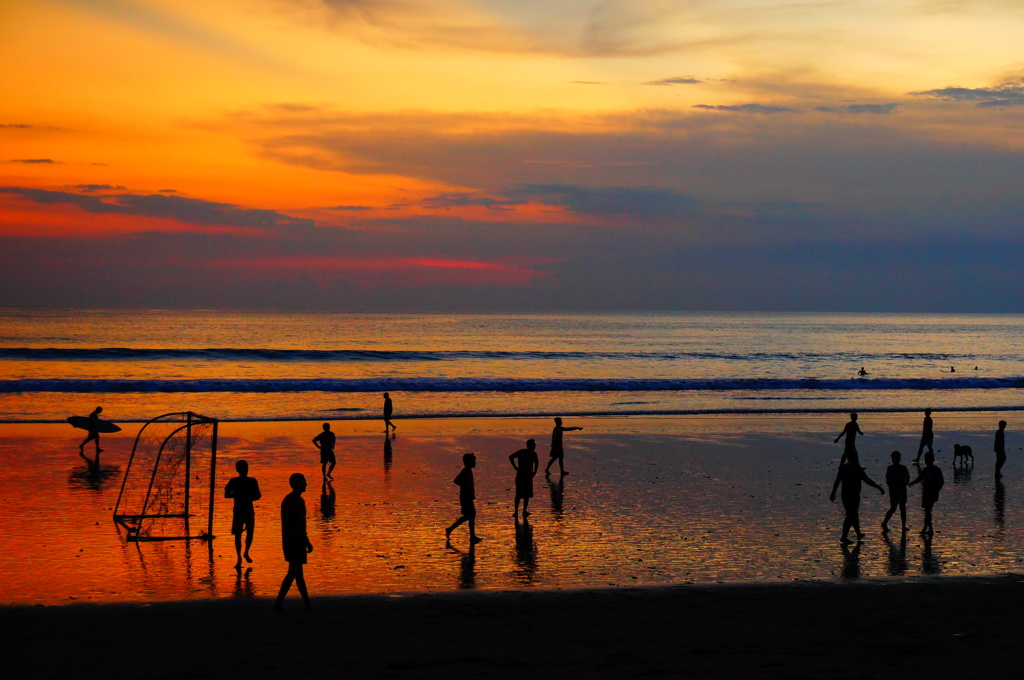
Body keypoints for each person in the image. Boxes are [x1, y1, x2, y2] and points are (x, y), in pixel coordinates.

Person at [273, 473, 313, 612]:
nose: (306, 484)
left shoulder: (288, 499)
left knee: (297, 574)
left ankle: (307, 604)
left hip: (289, 540)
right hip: (296, 541)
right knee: (293, 573)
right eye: (304, 482)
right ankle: (278, 604)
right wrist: (307, 542)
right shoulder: (297, 501)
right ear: (299, 484)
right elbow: (299, 524)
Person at [829, 450, 884, 544]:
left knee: (853, 514)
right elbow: (867, 480)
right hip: (853, 494)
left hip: (845, 494)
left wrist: (833, 493)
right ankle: (844, 537)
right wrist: (878, 487)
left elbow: (837, 480)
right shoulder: (857, 468)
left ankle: (858, 534)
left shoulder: (844, 467)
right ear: (856, 457)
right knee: (851, 515)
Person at [224, 460, 262, 569]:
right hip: (241, 511)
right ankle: (240, 557)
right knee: (241, 534)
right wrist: (240, 495)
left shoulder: (248, 481)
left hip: (243, 510)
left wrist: (240, 495)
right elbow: (227, 494)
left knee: (245, 533)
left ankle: (244, 553)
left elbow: (257, 495)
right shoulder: (238, 481)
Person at [446, 453, 482, 544]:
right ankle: (471, 536)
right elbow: (456, 480)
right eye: (474, 461)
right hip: (466, 497)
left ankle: (451, 529)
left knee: (469, 516)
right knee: (471, 515)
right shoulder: (466, 471)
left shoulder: (468, 470)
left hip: (467, 496)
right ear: (469, 462)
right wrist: (464, 486)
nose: (475, 463)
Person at [909, 451, 944, 536]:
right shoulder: (926, 470)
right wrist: (912, 482)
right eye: (926, 459)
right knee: (927, 511)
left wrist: (936, 490)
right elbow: (919, 478)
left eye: (928, 459)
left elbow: (941, 481)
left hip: (931, 493)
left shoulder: (936, 470)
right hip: (926, 493)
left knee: (928, 510)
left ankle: (930, 529)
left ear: (933, 459)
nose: (927, 461)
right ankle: (926, 528)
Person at [509, 439, 539, 518]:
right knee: (519, 495)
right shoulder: (523, 452)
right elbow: (511, 457)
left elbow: (536, 463)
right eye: (534, 445)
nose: (535, 446)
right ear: (530, 445)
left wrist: (534, 472)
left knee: (526, 495)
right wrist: (515, 467)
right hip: (521, 476)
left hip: (527, 476)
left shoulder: (533, 454)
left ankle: (523, 511)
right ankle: (516, 511)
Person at [881, 451, 910, 533]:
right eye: (894, 458)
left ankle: (903, 526)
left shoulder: (903, 468)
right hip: (895, 490)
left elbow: (907, 478)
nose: (895, 459)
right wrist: (892, 487)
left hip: (901, 489)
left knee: (902, 508)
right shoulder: (890, 468)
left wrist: (904, 485)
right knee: (894, 508)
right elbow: (888, 480)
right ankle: (885, 523)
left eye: (896, 457)